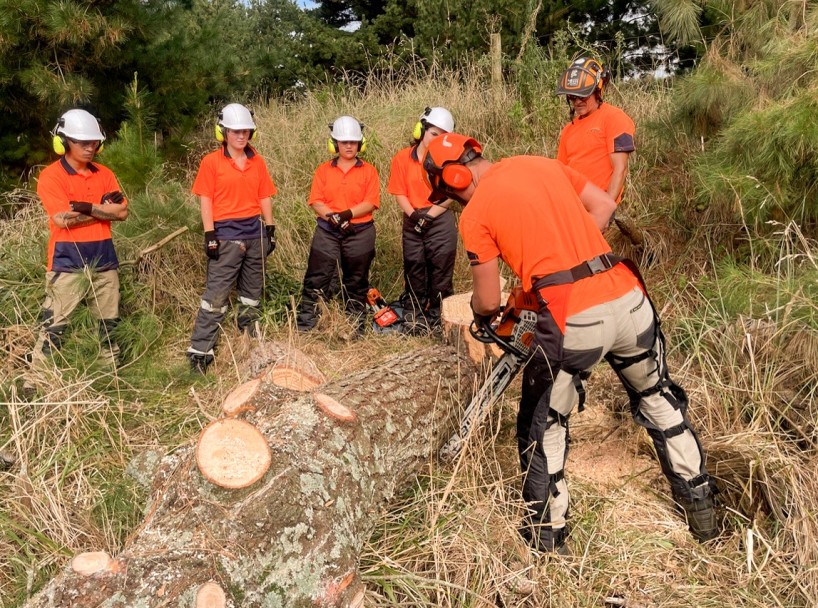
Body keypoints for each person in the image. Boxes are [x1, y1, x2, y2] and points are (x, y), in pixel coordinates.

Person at [422, 133, 718, 553]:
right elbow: (605, 205)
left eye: (449, 195)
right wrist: (570, 264)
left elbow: (487, 300)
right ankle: (702, 512)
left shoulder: (476, 215)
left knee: (543, 426)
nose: (453, 203)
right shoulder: (539, 161)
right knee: (658, 398)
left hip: (573, 318)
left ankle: (549, 537)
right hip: (628, 296)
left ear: (452, 177)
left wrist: (485, 311)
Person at [30, 109, 129, 369]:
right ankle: (37, 379)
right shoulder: (51, 176)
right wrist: (101, 209)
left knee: (108, 325)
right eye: (82, 142)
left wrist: (85, 207)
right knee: (54, 325)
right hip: (66, 261)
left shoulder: (104, 174)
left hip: (104, 258)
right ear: (63, 142)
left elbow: (122, 212)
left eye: (94, 142)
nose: (90, 147)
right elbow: (63, 219)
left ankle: (111, 374)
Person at [187, 103, 277, 374]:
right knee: (216, 296)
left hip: (254, 232)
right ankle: (201, 351)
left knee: (251, 294)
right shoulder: (211, 162)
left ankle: (248, 341)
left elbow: (264, 196)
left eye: (246, 131)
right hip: (225, 235)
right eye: (236, 131)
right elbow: (206, 200)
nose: (241, 136)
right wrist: (209, 234)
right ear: (223, 132)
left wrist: (270, 228)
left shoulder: (257, 161)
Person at [296, 115, 380, 334]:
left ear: (360, 143)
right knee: (317, 276)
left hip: (360, 231)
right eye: (344, 142)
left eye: (353, 142)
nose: (349, 146)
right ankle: (307, 323)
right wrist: (333, 218)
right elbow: (316, 201)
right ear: (335, 144)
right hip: (328, 230)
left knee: (356, 279)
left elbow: (370, 202)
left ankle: (355, 325)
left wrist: (345, 214)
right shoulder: (323, 170)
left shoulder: (369, 170)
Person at [387, 107, 457, 331]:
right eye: (433, 134)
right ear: (422, 130)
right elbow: (399, 192)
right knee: (414, 266)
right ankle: (414, 314)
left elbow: (451, 194)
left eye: (443, 136)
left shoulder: (449, 161)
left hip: (439, 219)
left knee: (441, 268)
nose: (437, 139)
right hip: (412, 218)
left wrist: (429, 215)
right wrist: (415, 216)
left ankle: (439, 316)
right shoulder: (402, 158)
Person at [555, 57, 635, 204]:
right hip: (573, 204)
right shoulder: (568, 130)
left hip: (599, 203)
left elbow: (620, 168)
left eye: (582, 96)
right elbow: (562, 173)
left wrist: (606, 208)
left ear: (597, 91)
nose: (577, 102)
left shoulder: (614, 118)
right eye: (572, 97)